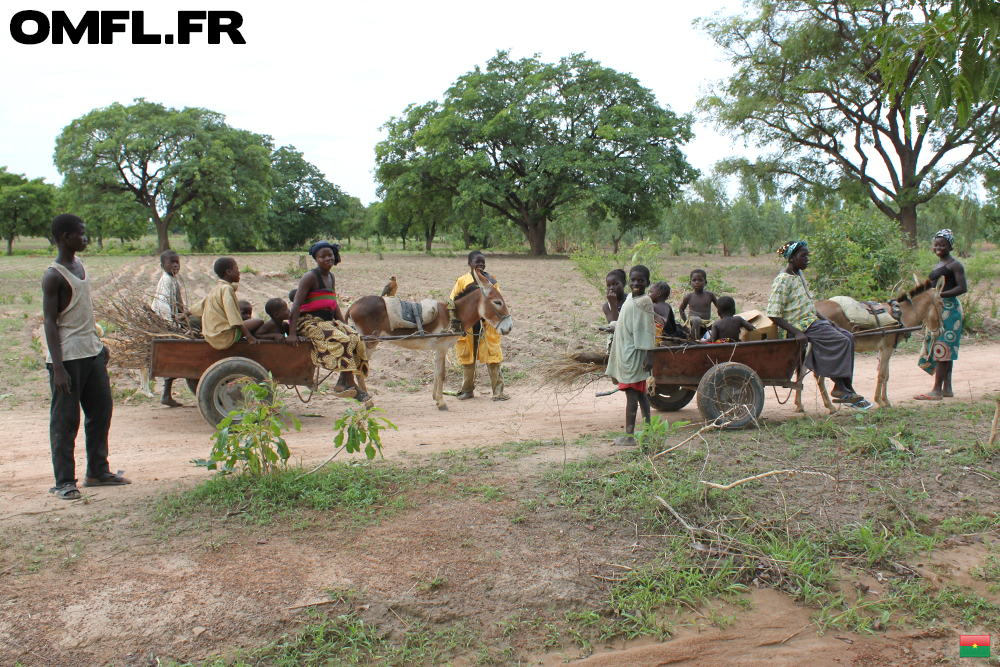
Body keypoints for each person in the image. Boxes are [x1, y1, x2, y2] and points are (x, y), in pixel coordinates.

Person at [42, 214, 131, 500]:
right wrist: (58, 368)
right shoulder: (54, 275)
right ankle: (65, 481)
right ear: (65, 237)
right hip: (67, 357)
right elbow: (49, 323)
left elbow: (84, 311)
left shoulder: (80, 265)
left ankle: (97, 471)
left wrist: (99, 344)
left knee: (101, 411)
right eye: (81, 234)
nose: (86, 238)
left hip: (91, 351)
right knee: (66, 420)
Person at [766, 241, 869, 408]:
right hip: (800, 326)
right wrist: (797, 332)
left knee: (849, 336)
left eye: (807, 255)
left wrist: (825, 319)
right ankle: (841, 388)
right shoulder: (783, 280)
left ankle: (845, 388)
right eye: (803, 256)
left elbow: (809, 305)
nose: (807, 259)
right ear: (792, 258)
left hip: (811, 322)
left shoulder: (798, 275)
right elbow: (772, 314)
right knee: (842, 340)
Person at [287, 241, 370, 402]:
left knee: (355, 338)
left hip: (326, 321)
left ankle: (342, 382)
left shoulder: (330, 277)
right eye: (322, 256)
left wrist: (344, 325)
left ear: (334, 256)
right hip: (308, 322)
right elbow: (296, 305)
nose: (327, 259)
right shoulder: (310, 277)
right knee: (343, 339)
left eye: (329, 255)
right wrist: (291, 333)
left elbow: (333, 304)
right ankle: (349, 383)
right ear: (316, 259)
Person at [605, 265, 656, 446]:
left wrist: (649, 356)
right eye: (633, 280)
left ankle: (629, 436)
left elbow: (649, 331)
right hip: (627, 353)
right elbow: (623, 322)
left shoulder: (645, 301)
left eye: (641, 281)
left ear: (647, 283)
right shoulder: (629, 300)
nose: (636, 283)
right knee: (640, 394)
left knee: (632, 395)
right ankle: (649, 431)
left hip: (635, 354)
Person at [915, 229, 967, 400]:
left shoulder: (955, 265)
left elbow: (962, 288)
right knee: (945, 349)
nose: (938, 247)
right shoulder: (939, 265)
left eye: (943, 244)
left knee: (942, 348)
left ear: (950, 246)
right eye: (936, 244)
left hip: (949, 310)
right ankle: (947, 389)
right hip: (940, 308)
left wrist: (938, 295)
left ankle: (937, 390)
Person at [451, 250, 508, 401]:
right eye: (477, 262)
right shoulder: (463, 281)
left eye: (483, 262)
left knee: (493, 359)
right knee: (467, 360)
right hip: (469, 328)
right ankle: (467, 390)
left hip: (487, 327)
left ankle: (498, 392)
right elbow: (453, 302)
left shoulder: (492, 282)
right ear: (469, 263)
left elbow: (498, 302)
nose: (480, 264)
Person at [150, 249, 197, 407]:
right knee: (175, 357)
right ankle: (166, 395)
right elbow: (163, 303)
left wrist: (184, 318)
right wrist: (171, 323)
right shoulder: (166, 280)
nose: (175, 265)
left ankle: (166, 395)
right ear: (162, 265)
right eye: (171, 262)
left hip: (173, 321)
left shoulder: (173, 280)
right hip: (166, 324)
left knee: (174, 358)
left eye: (177, 262)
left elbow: (178, 302)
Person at [188, 258, 260, 350]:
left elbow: (200, 305)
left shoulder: (217, 288)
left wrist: (184, 315)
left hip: (211, 335)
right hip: (224, 337)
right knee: (259, 321)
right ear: (229, 272)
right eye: (237, 269)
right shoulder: (227, 289)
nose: (239, 272)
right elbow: (233, 316)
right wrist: (249, 336)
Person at [679, 269, 718, 341]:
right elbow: (681, 309)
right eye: (694, 280)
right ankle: (694, 340)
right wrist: (685, 322)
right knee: (696, 320)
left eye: (700, 280)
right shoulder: (689, 297)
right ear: (690, 283)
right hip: (693, 321)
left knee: (717, 325)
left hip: (707, 322)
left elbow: (719, 307)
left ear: (705, 282)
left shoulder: (710, 295)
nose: (697, 282)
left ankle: (710, 341)